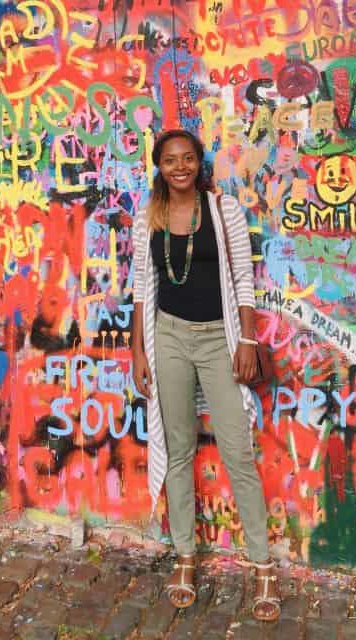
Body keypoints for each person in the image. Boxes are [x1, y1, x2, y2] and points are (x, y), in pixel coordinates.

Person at [130, 129, 281, 622]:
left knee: (238, 452)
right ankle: (186, 559)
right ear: (159, 166)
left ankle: (261, 567)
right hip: (168, 337)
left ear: (199, 163)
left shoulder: (223, 211)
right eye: (171, 160)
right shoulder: (147, 216)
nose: (180, 167)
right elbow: (140, 289)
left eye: (188, 158)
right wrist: (139, 352)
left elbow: (244, 277)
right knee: (178, 451)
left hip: (221, 337)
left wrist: (248, 340)